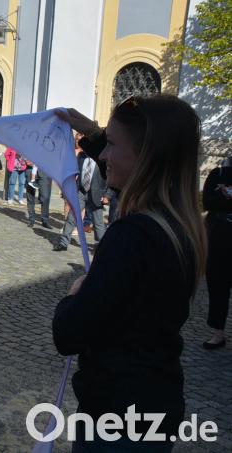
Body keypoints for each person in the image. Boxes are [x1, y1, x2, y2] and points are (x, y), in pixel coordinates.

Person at [53, 95, 207, 452]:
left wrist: (74, 295)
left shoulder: (132, 236)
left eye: (112, 145)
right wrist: (94, 132)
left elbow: (69, 334)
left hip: (116, 419)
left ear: (146, 157)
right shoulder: (182, 226)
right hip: (155, 403)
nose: (103, 156)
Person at [201, 157, 232, 350]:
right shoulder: (217, 174)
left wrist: (226, 194)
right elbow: (207, 202)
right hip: (219, 236)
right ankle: (218, 333)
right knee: (217, 284)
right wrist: (225, 196)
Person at [53, 149, 110, 252]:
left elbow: (110, 176)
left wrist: (107, 195)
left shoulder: (103, 158)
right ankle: (63, 243)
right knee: (71, 217)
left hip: (97, 194)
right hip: (81, 192)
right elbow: (74, 172)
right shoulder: (81, 156)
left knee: (98, 222)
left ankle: (100, 246)